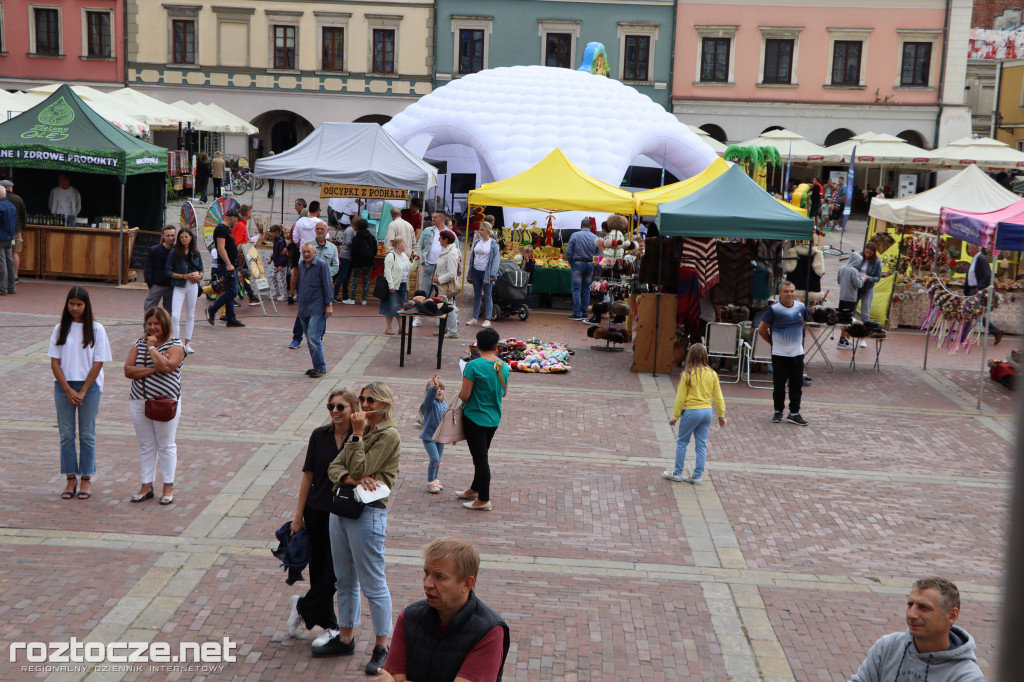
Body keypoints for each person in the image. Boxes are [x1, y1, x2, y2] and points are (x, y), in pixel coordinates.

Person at [320, 382, 401, 676]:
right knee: (344, 579)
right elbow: (335, 468)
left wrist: (354, 437)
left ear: (384, 404)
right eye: (363, 399)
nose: (363, 405)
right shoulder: (365, 429)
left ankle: (382, 645)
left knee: (372, 583)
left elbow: (356, 466)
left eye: (370, 400)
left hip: (368, 513)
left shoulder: (387, 434)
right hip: (342, 509)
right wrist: (352, 479)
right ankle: (346, 636)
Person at [378, 537, 510, 682]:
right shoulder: (409, 617)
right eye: (426, 573)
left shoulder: (489, 631)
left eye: (439, 577)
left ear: (467, 583)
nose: (427, 584)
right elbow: (392, 677)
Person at [286, 387, 359, 644]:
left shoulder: (360, 437)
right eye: (331, 407)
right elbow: (308, 475)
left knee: (338, 573)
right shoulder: (319, 435)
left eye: (341, 407)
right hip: (317, 510)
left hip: (345, 512)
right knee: (319, 570)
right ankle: (329, 624)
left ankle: (303, 607)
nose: (335, 411)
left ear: (353, 409)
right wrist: (298, 515)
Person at [850, 577, 984, 682]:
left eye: (924, 607)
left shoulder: (967, 677)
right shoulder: (887, 647)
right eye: (910, 605)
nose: (911, 615)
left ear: (951, 615)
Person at [49, 286, 112, 500]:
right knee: (66, 434)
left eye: (79, 304)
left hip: (89, 386)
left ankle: (86, 478)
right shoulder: (59, 329)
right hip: (63, 385)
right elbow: (54, 362)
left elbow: (99, 361)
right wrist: (67, 389)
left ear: (86, 306)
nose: (75, 308)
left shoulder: (97, 329)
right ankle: (70, 478)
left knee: (87, 434)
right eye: (71, 304)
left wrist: (83, 389)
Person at [124, 307, 186, 506]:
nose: (152, 327)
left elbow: (167, 366)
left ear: (165, 324)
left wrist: (152, 349)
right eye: (149, 323)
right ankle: (146, 485)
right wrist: (153, 368)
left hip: (165, 402)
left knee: (166, 444)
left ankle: (168, 485)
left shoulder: (176, 345)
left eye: (156, 324)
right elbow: (128, 370)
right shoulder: (137, 344)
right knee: (147, 445)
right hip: (139, 400)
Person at [456, 328, 509, 512]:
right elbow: (504, 392)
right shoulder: (503, 365)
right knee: (481, 455)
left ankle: (483, 499)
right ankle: (474, 489)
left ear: (477, 346)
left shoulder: (473, 366)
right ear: (496, 346)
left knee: (480, 459)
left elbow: (464, 395)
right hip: (493, 418)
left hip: (475, 418)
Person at [663, 343, 726, 485]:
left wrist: (675, 416)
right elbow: (719, 396)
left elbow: (680, 398)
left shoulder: (687, 374)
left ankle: (677, 472)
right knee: (701, 444)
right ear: (705, 356)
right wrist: (721, 415)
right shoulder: (712, 374)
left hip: (692, 411)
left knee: (682, 442)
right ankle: (697, 475)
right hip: (707, 412)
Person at [757, 281, 810, 426]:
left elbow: (803, 323)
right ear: (780, 293)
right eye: (786, 291)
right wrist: (773, 343)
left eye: (792, 291)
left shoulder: (801, 307)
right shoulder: (773, 310)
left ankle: (794, 413)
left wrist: (796, 340)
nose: (790, 294)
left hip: (797, 354)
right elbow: (762, 329)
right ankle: (778, 411)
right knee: (779, 385)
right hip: (779, 354)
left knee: (796, 384)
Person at [294, 241, 334, 378]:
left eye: (308, 252)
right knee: (309, 338)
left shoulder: (321, 265)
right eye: (304, 252)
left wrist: (329, 304)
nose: (306, 254)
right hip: (304, 306)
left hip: (317, 306)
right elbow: (301, 285)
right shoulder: (302, 265)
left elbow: (327, 284)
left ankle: (320, 367)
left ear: (314, 253)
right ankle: (317, 366)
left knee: (313, 337)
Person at [165, 227, 204, 355]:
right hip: (179, 285)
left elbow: (201, 269)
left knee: (190, 314)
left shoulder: (196, 252)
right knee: (175, 315)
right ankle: (176, 342)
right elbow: (168, 272)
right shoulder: (174, 252)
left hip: (193, 285)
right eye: (181, 237)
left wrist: (199, 276)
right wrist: (184, 276)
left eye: (186, 237)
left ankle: (187, 343)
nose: (184, 239)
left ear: (191, 237)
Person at [206, 208, 246, 328]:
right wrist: (228, 263)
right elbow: (221, 248)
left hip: (230, 264)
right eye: (236, 219)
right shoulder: (221, 229)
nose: (236, 222)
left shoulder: (226, 229)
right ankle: (212, 310)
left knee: (230, 291)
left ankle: (231, 318)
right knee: (232, 291)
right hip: (226, 265)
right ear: (232, 218)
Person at [962, 242, 1003, 345]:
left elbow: (987, 276)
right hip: (971, 290)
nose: (968, 251)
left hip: (976, 290)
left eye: (969, 248)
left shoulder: (981, 259)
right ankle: (996, 331)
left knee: (971, 313)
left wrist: (979, 289)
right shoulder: (975, 259)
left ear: (975, 248)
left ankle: (963, 337)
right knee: (974, 314)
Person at [466, 224, 500, 328]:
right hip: (476, 271)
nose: (479, 232)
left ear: (487, 231)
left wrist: (492, 274)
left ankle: (487, 319)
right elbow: (473, 256)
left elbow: (496, 260)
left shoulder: (493, 244)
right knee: (477, 295)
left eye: (481, 230)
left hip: (486, 273)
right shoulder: (477, 242)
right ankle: (474, 317)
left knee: (487, 295)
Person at [565, 221, 600, 321]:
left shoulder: (575, 235)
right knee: (586, 289)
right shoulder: (595, 237)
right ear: (591, 226)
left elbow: (568, 251)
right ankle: (584, 312)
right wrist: (596, 269)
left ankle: (577, 313)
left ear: (581, 225)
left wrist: (572, 263)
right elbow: (598, 255)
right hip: (590, 264)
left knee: (576, 289)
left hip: (577, 263)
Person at [419, 375, 448, 493]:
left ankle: (435, 479)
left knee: (438, 459)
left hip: (440, 437)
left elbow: (448, 422)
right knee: (434, 458)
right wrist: (434, 387)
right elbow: (429, 397)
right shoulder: (429, 404)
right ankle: (430, 481)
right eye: (437, 388)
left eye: (441, 388)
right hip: (429, 437)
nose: (439, 390)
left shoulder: (445, 405)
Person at [432, 229, 462, 339]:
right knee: (444, 306)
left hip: (446, 285)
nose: (439, 240)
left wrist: (438, 279)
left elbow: (451, 273)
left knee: (449, 307)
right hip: (442, 285)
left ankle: (453, 330)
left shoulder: (451, 253)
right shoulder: (447, 250)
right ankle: (444, 329)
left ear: (446, 240)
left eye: (440, 238)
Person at [380, 236, 412, 335]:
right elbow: (387, 271)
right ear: (398, 245)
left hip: (403, 285)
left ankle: (401, 328)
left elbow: (410, 268)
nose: (406, 245)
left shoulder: (404, 256)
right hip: (394, 285)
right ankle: (388, 327)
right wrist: (391, 285)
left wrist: (415, 261)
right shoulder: (391, 255)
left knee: (402, 307)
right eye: (404, 243)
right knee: (391, 306)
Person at [142, 225, 177, 311]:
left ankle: (167, 325)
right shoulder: (155, 250)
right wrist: (150, 284)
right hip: (157, 284)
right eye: (168, 235)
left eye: (172, 235)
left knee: (170, 311)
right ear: (163, 236)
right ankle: (148, 324)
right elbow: (148, 268)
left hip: (171, 285)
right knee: (149, 308)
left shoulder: (177, 250)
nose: (170, 238)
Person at [835, 252, 865, 351]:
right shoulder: (853, 271)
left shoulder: (842, 268)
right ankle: (842, 340)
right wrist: (863, 278)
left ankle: (845, 340)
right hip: (850, 298)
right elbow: (858, 284)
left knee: (843, 318)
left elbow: (838, 281)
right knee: (847, 320)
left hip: (842, 296)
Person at [0, 180, 26, 281]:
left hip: (3, 232)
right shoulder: (18, 199)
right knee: (15, 254)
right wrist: (21, 227)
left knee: (2, 258)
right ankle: (15, 276)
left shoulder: (2, 201)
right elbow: (24, 215)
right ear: (10, 188)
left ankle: (4, 280)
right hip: (16, 230)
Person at [349, 218, 378, 306]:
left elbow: (353, 252)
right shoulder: (372, 237)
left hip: (358, 263)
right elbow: (375, 250)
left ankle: (352, 298)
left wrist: (353, 262)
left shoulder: (356, 238)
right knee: (366, 281)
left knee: (355, 280)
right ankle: (364, 299)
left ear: (358, 227)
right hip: (369, 262)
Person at [335, 216, 356, 303]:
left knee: (346, 276)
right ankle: (335, 294)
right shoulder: (350, 230)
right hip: (346, 255)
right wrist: (356, 242)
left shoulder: (350, 230)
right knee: (343, 276)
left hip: (349, 255)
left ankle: (345, 295)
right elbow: (348, 242)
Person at [0, 185, 15, 295]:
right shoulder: (11, 206)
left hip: (1, 236)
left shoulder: (0, 206)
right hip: (9, 236)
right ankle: (11, 287)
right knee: (9, 262)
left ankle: (2, 287)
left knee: (2, 262)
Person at [268, 224, 289, 301]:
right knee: (273, 276)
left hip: (281, 264)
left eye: (272, 232)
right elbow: (275, 252)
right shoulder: (276, 240)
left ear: (277, 232)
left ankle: (285, 294)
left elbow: (282, 253)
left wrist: (281, 264)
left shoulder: (281, 241)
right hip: (276, 263)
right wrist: (271, 259)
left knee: (282, 279)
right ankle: (277, 291)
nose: (271, 234)